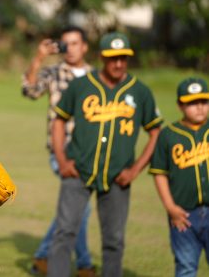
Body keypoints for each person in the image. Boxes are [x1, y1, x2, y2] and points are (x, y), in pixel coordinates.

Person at [49, 32, 163, 277]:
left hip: (117, 176)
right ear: (102, 57)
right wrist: (61, 158)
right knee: (65, 232)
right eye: (113, 58)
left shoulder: (139, 91)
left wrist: (135, 170)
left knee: (114, 240)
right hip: (78, 170)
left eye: (123, 58)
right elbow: (59, 120)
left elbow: (155, 131)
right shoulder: (81, 85)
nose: (118, 63)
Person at [22, 26, 94, 276]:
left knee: (74, 207)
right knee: (80, 207)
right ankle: (84, 264)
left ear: (84, 46)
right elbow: (30, 91)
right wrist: (39, 57)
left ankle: (43, 257)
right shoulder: (53, 72)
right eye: (65, 44)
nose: (69, 48)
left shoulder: (96, 77)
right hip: (61, 151)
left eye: (74, 43)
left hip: (90, 153)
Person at [149, 77, 209, 277]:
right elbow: (159, 174)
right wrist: (171, 208)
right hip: (183, 215)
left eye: (204, 101)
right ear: (180, 105)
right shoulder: (168, 135)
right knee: (185, 267)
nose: (199, 107)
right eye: (192, 103)